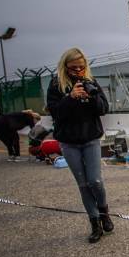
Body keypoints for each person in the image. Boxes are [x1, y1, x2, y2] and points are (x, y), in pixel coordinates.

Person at [46, 47, 112, 243]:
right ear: (65, 66)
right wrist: (70, 98)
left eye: (81, 68)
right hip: (69, 142)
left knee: (96, 181)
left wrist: (91, 97)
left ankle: (104, 212)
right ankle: (94, 223)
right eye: (74, 68)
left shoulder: (90, 82)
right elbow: (55, 113)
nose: (78, 72)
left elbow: (104, 109)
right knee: (83, 184)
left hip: (90, 138)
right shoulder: (56, 85)